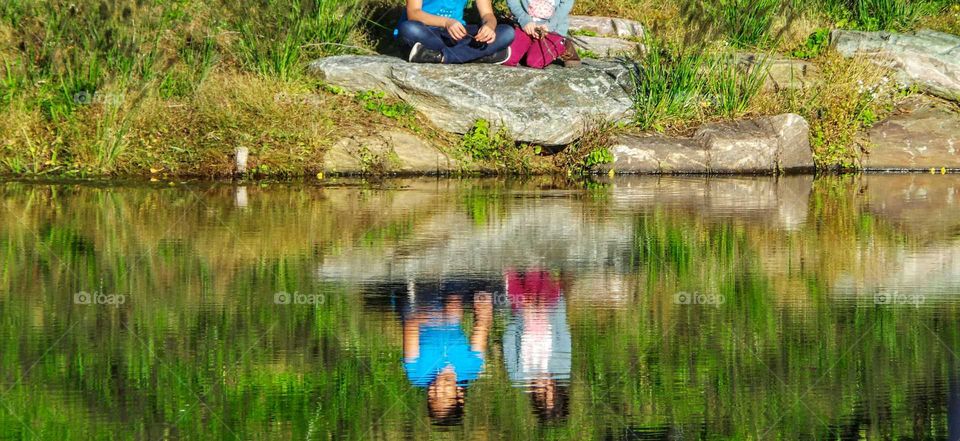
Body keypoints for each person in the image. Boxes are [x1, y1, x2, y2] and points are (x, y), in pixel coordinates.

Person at [403, 291, 493, 425]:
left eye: (432, 398)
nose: (438, 390)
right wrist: (483, 302)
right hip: (453, 307)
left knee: (451, 306)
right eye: (445, 394)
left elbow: (410, 326)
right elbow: (482, 325)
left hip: (418, 306)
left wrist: (436, 316)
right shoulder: (472, 368)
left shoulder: (416, 375)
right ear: (459, 395)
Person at [502, 269, 572, 423]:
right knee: (539, 280)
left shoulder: (518, 375)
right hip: (548, 308)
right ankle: (536, 263)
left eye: (542, 394)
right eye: (551, 389)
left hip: (520, 311)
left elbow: (508, 339)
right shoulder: (562, 368)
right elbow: (562, 330)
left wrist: (523, 314)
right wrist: (549, 308)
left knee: (518, 283)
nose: (545, 386)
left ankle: (518, 266)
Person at [397, 0, 515, 64]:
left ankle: (438, 56)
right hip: (428, 31)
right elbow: (413, 13)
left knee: (507, 32)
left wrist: (489, 26)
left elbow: (487, 14)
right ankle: (475, 55)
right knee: (408, 28)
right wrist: (446, 22)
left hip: (457, 34)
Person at [504, 0, 580, 68]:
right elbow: (512, 2)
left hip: (553, 28)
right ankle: (529, 47)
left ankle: (564, 44)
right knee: (508, 59)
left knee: (534, 62)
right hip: (527, 25)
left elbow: (565, 5)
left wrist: (549, 26)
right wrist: (525, 20)